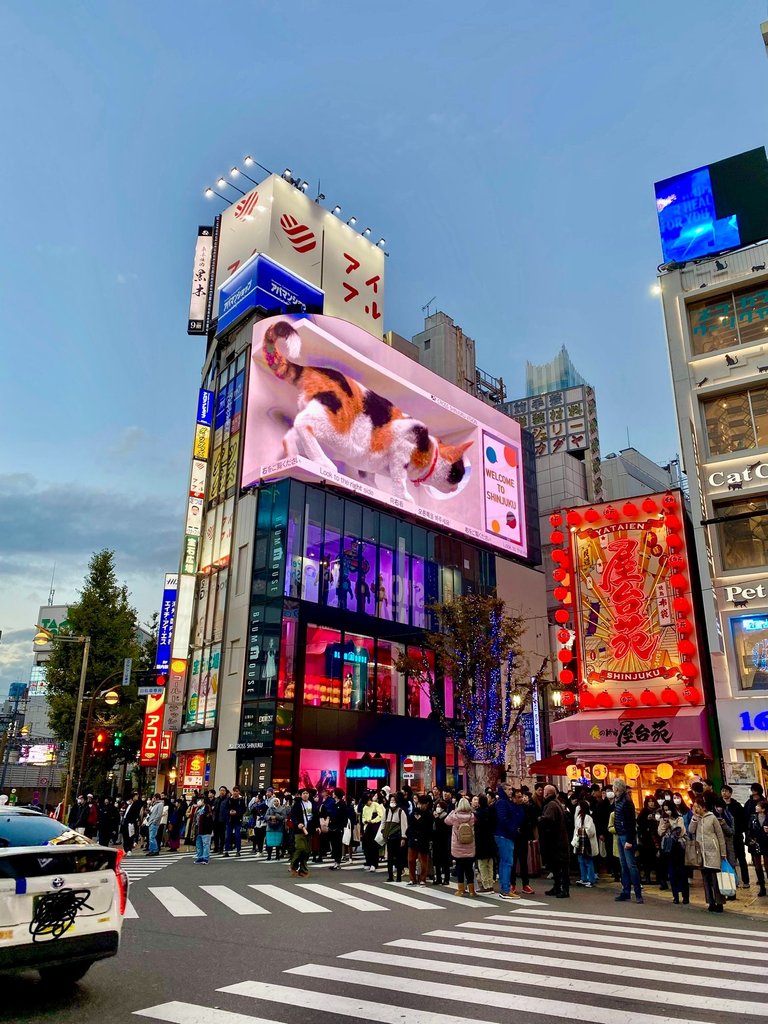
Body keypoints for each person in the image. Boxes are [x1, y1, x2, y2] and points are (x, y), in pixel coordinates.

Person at [689, 792, 727, 912]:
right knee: (705, 879)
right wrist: (695, 818)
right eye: (694, 807)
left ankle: (719, 902)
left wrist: (723, 852)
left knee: (715, 878)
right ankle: (710, 902)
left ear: (703, 807)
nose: (696, 809)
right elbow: (691, 830)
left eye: (698, 807)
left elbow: (720, 835)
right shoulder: (696, 818)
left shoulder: (712, 817)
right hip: (702, 852)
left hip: (713, 851)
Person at [612, 779, 642, 903]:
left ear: (617, 789)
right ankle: (626, 891)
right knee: (624, 865)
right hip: (620, 834)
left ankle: (638, 893)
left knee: (631, 865)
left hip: (626, 835)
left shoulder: (627, 802)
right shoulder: (618, 800)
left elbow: (631, 822)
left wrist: (629, 840)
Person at [494, 782, 524, 901]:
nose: (511, 791)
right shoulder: (502, 802)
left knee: (504, 862)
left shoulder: (505, 802)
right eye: (509, 789)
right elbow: (503, 819)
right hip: (505, 835)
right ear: (503, 790)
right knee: (507, 862)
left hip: (504, 834)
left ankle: (505, 888)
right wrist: (513, 829)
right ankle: (506, 889)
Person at [658, 799, 689, 904]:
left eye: (669, 810)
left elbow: (680, 831)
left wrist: (671, 823)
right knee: (672, 873)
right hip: (667, 848)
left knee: (681, 871)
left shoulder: (679, 818)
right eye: (665, 810)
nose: (667, 812)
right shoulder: (663, 819)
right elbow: (660, 832)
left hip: (678, 847)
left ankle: (685, 896)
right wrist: (664, 824)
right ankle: (675, 895)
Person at [445, 796, 476, 897]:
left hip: (458, 846)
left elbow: (446, 821)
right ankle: (472, 890)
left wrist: (453, 810)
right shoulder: (472, 817)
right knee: (469, 868)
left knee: (459, 867)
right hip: (469, 845)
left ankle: (461, 890)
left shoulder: (455, 816)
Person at [721, 785, 750, 889]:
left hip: (737, 836)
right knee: (729, 860)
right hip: (725, 837)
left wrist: (739, 831)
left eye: (726, 791)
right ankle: (734, 880)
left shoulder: (736, 806)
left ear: (730, 793)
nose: (724, 793)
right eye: (723, 791)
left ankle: (746, 881)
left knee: (741, 859)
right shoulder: (719, 806)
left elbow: (743, 820)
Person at [510, 789, 536, 895]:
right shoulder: (510, 808)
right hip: (513, 838)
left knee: (524, 862)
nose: (520, 799)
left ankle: (526, 884)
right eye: (518, 797)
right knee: (513, 862)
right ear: (513, 798)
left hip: (523, 838)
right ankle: (512, 884)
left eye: (521, 796)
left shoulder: (526, 808)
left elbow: (530, 821)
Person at [290, 788, 318, 877]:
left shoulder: (312, 804)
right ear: (301, 795)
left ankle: (303, 870)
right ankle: (293, 866)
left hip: (309, 830)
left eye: (307, 793)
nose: (305, 795)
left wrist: (317, 826)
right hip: (299, 831)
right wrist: (297, 823)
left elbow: (316, 816)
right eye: (303, 793)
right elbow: (293, 816)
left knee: (307, 851)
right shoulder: (297, 805)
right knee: (300, 848)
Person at [637, 795, 664, 888]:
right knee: (646, 858)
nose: (651, 803)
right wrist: (646, 820)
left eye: (653, 801)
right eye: (649, 801)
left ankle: (659, 878)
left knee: (657, 858)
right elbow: (640, 823)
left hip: (657, 837)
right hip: (647, 839)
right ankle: (647, 876)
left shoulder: (658, 811)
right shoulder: (644, 812)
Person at [472, 794, 496, 893]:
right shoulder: (491, 811)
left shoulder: (477, 813)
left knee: (482, 864)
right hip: (490, 839)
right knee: (490, 863)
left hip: (481, 840)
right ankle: (490, 884)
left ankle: (485, 885)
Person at [382, 793, 408, 882]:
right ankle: (390, 876)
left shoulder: (401, 812)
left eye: (394, 801)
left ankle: (399, 877)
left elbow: (404, 825)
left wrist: (403, 838)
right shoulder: (386, 811)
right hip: (389, 837)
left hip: (398, 838)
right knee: (390, 858)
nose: (392, 802)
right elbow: (383, 823)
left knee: (398, 858)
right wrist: (383, 832)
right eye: (391, 800)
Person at [406, 796, 432, 884]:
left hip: (424, 839)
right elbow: (411, 823)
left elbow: (428, 827)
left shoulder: (429, 814)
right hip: (413, 838)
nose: (422, 806)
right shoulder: (414, 812)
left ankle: (422, 878)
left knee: (423, 860)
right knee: (411, 860)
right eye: (421, 804)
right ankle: (412, 879)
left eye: (424, 804)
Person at [572, 797, 598, 887]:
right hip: (581, 842)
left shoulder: (587, 817)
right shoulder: (580, 816)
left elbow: (591, 831)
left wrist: (580, 831)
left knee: (587, 861)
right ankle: (584, 878)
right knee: (581, 861)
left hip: (586, 843)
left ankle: (590, 879)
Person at [746, 798, 768, 897]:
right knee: (758, 866)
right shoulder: (753, 817)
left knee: (767, 866)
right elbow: (749, 829)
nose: (756, 807)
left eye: (758, 806)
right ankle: (762, 887)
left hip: (766, 843)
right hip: (756, 843)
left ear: (763, 809)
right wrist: (751, 839)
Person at [327, 789, 350, 870]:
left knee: (338, 845)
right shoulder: (333, 803)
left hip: (338, 828)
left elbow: (344, 817)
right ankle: (335, 861)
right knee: (333, 845)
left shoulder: (342, 804)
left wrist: (341, 827)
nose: (332, 794)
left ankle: (338, 862)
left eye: (334, 793)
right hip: (332, 827)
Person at [224, 785, 247, 857]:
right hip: (230, 820)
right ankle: (226, 851)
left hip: (238, 820)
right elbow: (226, 809)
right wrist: (229, 812)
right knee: (228, 835)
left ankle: (238, 850)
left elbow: (243, 809)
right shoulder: (229, 799)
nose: (235, 793)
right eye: (234, 791)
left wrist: (237, 812)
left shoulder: (241, 800)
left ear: (239, 792)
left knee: (237, 835)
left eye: (236, 791)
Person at [194, 798, 213, 864]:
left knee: (205, 844)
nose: (199, 802)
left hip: (205, 829)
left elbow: (209, 818)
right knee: (199, 844)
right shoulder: (198, 809)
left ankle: (205, 858)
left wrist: (209, 828)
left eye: (201, 800)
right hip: (198, 829)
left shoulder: (207, 808)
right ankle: (200, 857)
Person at [212, 786, 229, 854]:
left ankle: (221, 848)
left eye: (223, 790)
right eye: (221, 790)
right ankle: (216, 847)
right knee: (216, 834)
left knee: (222, 835)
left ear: (225, 791)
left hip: (223, 819)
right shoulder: (216, 799)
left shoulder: (227, 800)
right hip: (216, 818)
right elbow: (213, 807)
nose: (222, 792)